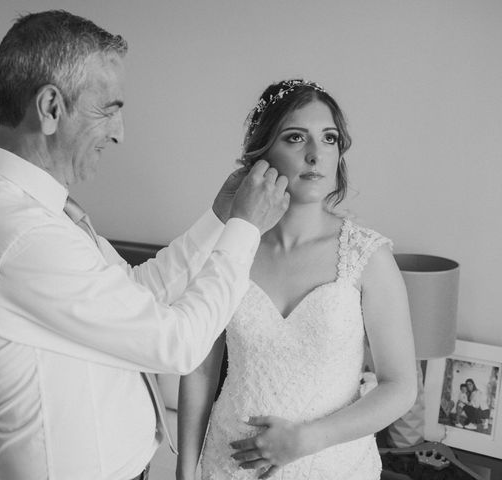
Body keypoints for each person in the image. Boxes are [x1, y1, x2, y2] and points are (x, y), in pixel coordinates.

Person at [0, 11, 290, 480]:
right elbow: (178, 344)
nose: (120, 132)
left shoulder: (41, 214)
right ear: (50, 108)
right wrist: (246, 228)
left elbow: (135, 291)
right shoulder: (19, 236)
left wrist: (219, 220)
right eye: (108, 108)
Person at [176, 79, 418, 480]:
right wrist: (185, 470)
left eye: (329, 139)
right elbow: (199, 369)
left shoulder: (367, 257)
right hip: (229, 466)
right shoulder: (231, 247)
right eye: (294, 138)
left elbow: (400, 386)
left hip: (334, 466)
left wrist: (306, 440)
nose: (315, 154)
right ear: (263, 152)